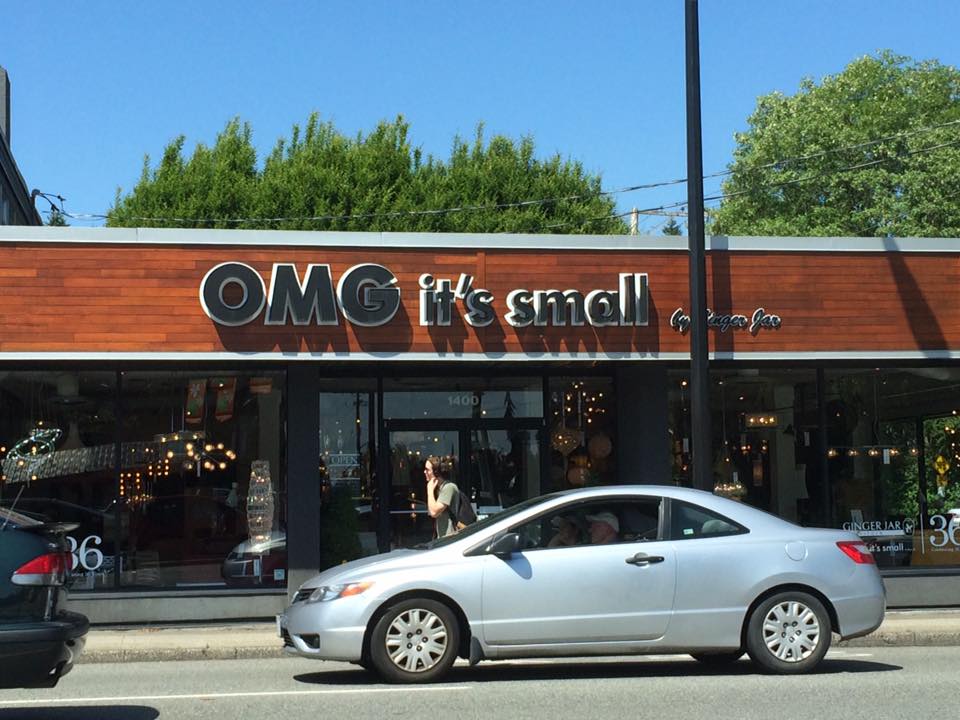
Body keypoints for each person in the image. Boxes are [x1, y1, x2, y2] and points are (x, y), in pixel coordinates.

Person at [425, 456, 460, 538]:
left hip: (451, 538)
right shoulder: (438, 489)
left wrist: (429, 490)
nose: (424, 472)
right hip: (442, 538)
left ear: (436, 472)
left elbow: (434, 512)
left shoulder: (449, 487)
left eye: (427, 470)